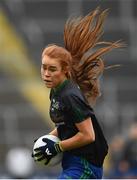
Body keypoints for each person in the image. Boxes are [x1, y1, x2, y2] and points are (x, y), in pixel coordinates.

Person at [32, 7, 123, 179]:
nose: (46, 74)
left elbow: (88, 135)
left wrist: (57, 147)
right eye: (43, 67)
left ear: (65, 71)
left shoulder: (70, 96)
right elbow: (65, 126)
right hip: (72, 161)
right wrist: (44, 141)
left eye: (52, 69)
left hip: (84, 165)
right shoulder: (57, 91)